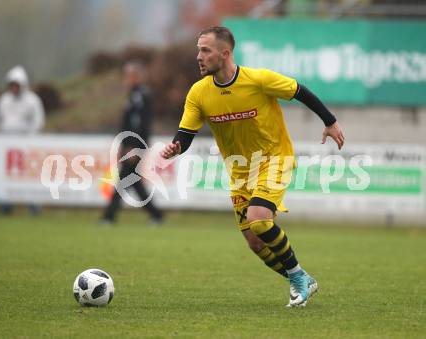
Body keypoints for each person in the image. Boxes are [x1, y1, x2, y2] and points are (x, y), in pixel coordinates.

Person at [161, 27, 345, 307]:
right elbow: (185, 135)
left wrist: (329, 121)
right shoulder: (198, 93)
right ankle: (302, 277)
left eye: (205, 50)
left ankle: (296, 278)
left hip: (274, 159)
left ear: (225, 54)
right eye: (198, 50)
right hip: (239, 171)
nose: (199, 56)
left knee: (259, 219)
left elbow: (299, 91)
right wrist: (175, 147)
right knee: (255, 243)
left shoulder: (259, 80)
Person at [101, 62, 164, 225]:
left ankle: (109, 217)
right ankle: (156, 215)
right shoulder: (135, 94)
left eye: (128, 75)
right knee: (133, 182)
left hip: (134, 146)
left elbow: (139, 124)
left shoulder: (139, 95)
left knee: (124, 182)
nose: (126, 79)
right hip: (132, 145)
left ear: (136, 77)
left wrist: (133, 147)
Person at [0, 65, 45, 215]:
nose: (14, 88)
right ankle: (5, 204)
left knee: (29, 175)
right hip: (7, 145)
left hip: (26, 145)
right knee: (7, 174)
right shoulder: (3, 100)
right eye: (12, 85)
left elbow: (38, 122)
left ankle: (33, 205)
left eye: (17, 85)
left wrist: (28, 139)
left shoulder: (32, 101)